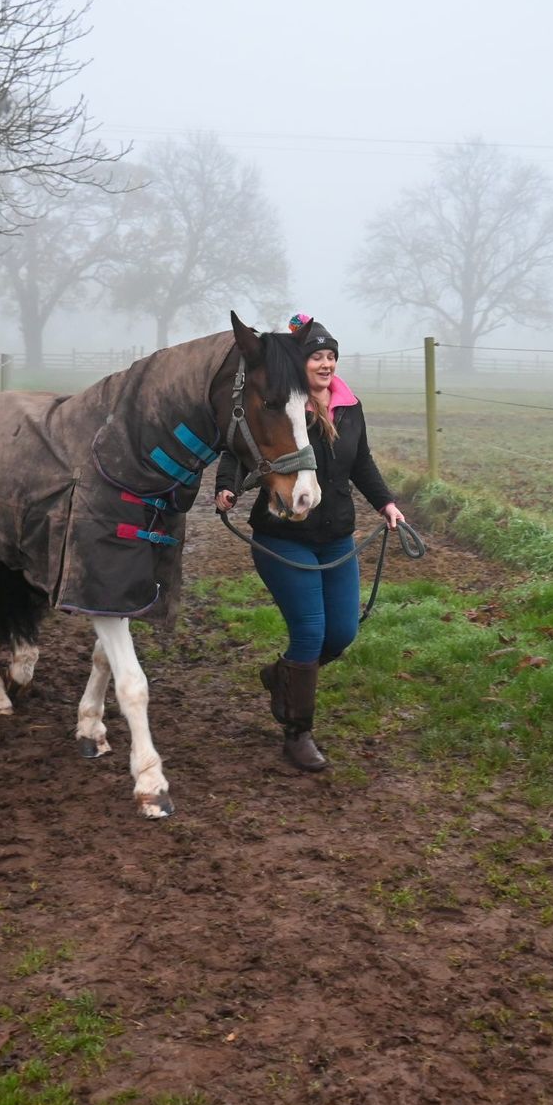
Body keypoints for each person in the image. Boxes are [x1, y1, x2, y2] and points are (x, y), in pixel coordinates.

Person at [215, 315, 406, 770]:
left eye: (331, 356)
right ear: (299, 364)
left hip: (336, 535)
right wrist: (226, 486)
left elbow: (361, 461)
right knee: (310, 631)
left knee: (342, 633)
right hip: (284, 537)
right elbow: (239, 446)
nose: (325, 364)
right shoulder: (284, 405)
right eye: (316, 356)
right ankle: (297, 733)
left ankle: (283, 675)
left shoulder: (349, 405)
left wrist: (386, 504)